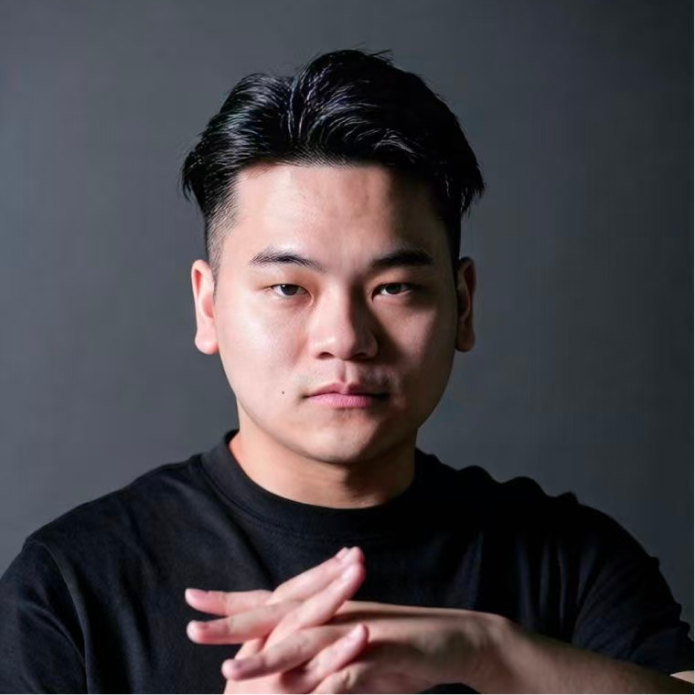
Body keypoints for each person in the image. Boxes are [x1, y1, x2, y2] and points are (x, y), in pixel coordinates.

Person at [0, 49, 692, 695]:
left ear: (463, 305)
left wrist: (490, 654)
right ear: (208, 306)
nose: (346, 339)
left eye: (394, 287)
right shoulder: (69, 586)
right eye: (288, 288)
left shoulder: (571, 563)